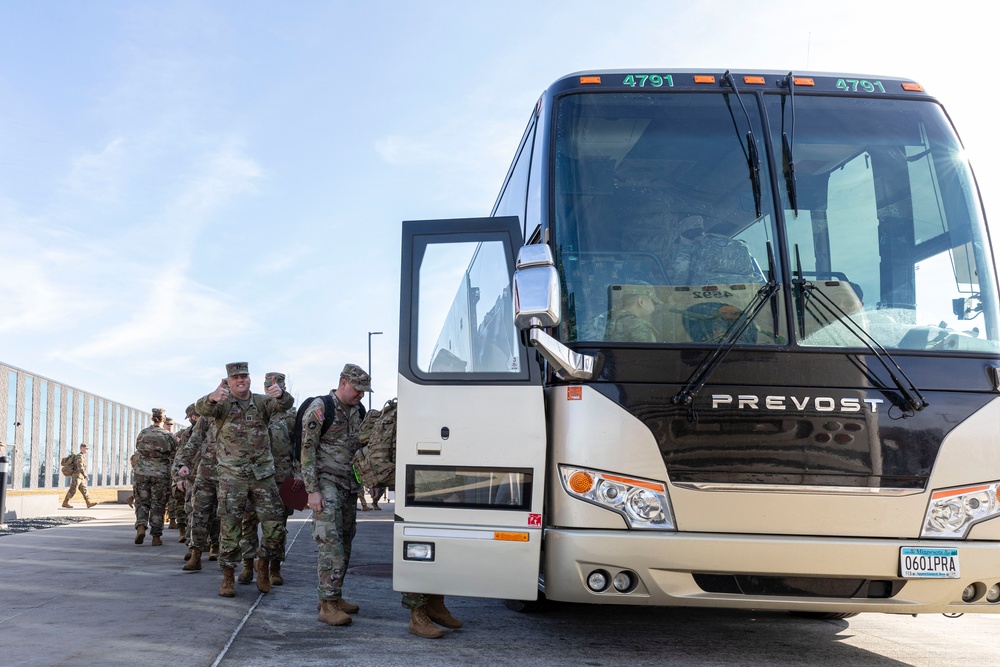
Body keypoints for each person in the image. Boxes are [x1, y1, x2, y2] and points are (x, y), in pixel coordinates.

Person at [183, 362, 292, 598]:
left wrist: (281, 394)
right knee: (230, 528)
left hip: (263, 475)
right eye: (235, 378)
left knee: (275, 527)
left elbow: (285, 405)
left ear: (250, 379)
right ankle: (228, 577)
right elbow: (203, 410)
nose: (240, 380)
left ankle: (263, 564)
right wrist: (212, 398)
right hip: (232, 477)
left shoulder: (262, 402)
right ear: (228, 381)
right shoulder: (221, 405)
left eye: (244, 376)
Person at [301, 363, 371, 627]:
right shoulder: (321, 408)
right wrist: (312, 490)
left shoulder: (358, 411)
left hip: (348, 485)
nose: (361, 395)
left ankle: (334, 595)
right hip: (326, 483)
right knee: (330, 543)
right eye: (357, 389)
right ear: (343, 382)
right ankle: (327, 604)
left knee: (345, 541)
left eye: (364, 391)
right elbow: (307, 451)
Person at [133, 408, 176, 546]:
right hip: (161, 473)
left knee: (142, 501)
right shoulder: (168, 435)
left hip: (142, 472)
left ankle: (141, 526)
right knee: (158, 503)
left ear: (152, 418)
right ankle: (156, 536)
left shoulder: (143, 433)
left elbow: (138, 448)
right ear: (163, 419)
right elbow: (174, 453)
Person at [61, 444, 97, 509]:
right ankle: (65, 502)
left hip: (80, 477)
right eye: (86, 448)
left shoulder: (83, 456)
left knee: (84, 489)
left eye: (87, 448)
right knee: (73, 489)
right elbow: (80, 467)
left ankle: (88, 503)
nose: (87, 450)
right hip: (76, 476)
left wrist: (83, 476)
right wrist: (85, 475)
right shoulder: (79, 457)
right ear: (81, 448)